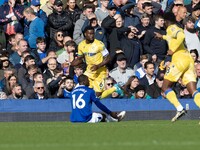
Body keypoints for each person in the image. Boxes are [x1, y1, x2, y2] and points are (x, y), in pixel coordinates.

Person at [154, 12, 200, 122]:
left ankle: (179, 108)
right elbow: (172, 37)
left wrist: (173, 49)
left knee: (165, 87)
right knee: (193, 90)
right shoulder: (171, 30)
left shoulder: (171, 27)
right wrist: (163, 37)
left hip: (179, 59)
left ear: (165, 21)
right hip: (188, 59)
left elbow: (181, 35)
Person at [71, 26, 110, 95]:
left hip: (100, 72)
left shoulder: (99, 44)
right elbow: (80, 58)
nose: (91, 35)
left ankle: (114, 89)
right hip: (90, 70)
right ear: (85, 34)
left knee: (97, 94)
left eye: (92, 34)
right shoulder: (81, 45)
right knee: (82, 82)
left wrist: (98, 66)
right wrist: (72, 64)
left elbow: (108, 58)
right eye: (90, 34)